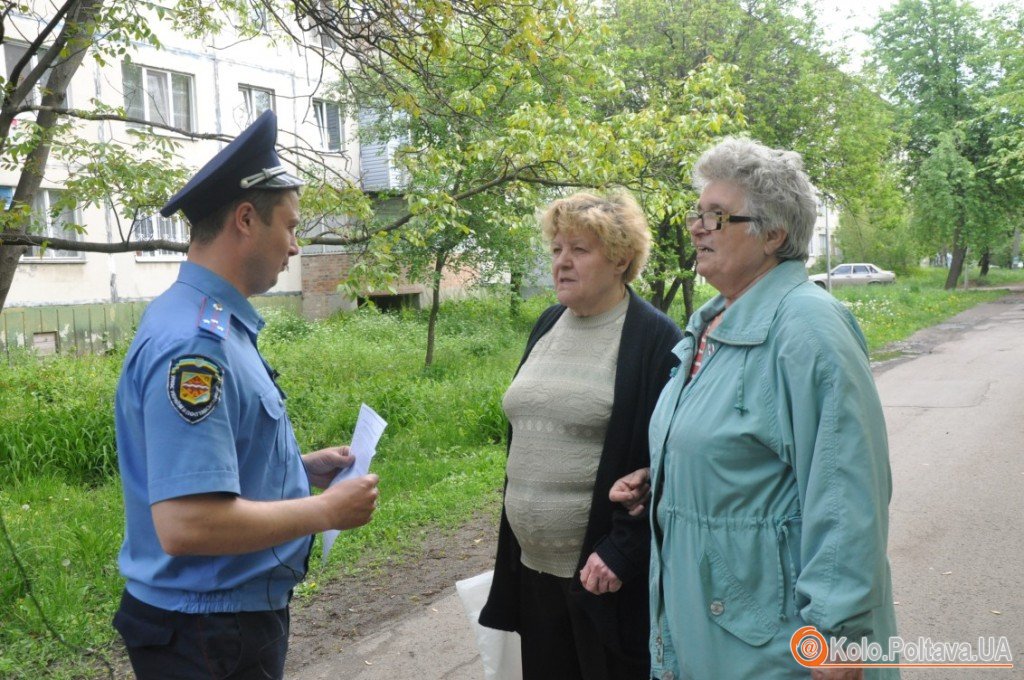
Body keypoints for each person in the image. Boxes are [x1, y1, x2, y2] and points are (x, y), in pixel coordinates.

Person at [612, 138, 899, 680]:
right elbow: (745, 447)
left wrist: (838, 636)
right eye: (698, 213)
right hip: (711, 632)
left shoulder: (807, 328)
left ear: (773, 234)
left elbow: (845, 486)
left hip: (773, 646)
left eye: (717, 217)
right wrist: (668, 475)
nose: (696, 227)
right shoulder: (712, 324)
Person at [112, 110, 380, 680]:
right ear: (244, 219)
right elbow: (187, 524)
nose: (295, 247)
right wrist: (325, 511)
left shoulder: (204, 320)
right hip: (208, 635)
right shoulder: (196, 346)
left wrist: (298, 469)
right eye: (289, 226)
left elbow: (209, 460)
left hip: (216, 626)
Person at [479, 190, 682, 680]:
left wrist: (623, 551)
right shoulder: (548, 323)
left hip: (603, 578)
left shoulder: (656, 340)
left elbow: (669, 464)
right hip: (533, 569)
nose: (562, 263)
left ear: (620, 259)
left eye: (580, 250)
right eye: (556, 250)